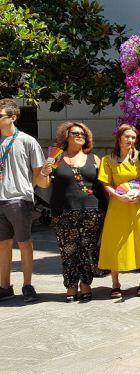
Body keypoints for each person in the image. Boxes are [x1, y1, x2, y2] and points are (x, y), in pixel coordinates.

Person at [37, 121, 105, 302]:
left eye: (83, 133)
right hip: (64, 211)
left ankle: (85, 284)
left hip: (92, 211)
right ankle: (71, 285)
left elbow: (103, 186)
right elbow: (43, 184)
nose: (80, 136)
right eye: (75, 133)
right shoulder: (56, 158)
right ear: (66, 136)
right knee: (68, 250)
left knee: (87, 249)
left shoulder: (95, 159)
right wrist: (44, 172)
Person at [98, 124, 140, 298]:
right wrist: (118, 196)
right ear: (119, 138)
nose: (130, 140)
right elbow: (106, 184)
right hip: (118, 205)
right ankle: (115, 283)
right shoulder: (107, 160)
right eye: (127, 137)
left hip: (139, 205)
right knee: (116, 242)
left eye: (133, 137)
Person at [0, 99, 46, 302]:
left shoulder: (27, 141)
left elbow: (38, 172)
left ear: (12, 117)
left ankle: (27, 285)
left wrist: (27, 190)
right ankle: (4, 286)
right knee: (3, 245)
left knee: (24, 243)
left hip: (19, 199)